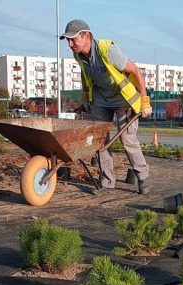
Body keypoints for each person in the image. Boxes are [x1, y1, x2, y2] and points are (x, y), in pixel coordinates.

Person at [60, 19, 152, 194]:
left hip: (123, 99)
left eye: (73, 39)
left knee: (128, 140)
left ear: (87, 36)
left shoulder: (106, 49)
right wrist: (85, 96)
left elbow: (135, 71)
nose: (70, 44)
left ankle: (142, 177)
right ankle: (107, 182)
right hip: (102, 99)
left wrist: (144, 100)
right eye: (68, 40)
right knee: (100, 140)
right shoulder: (79, 55)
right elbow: (84, 73)